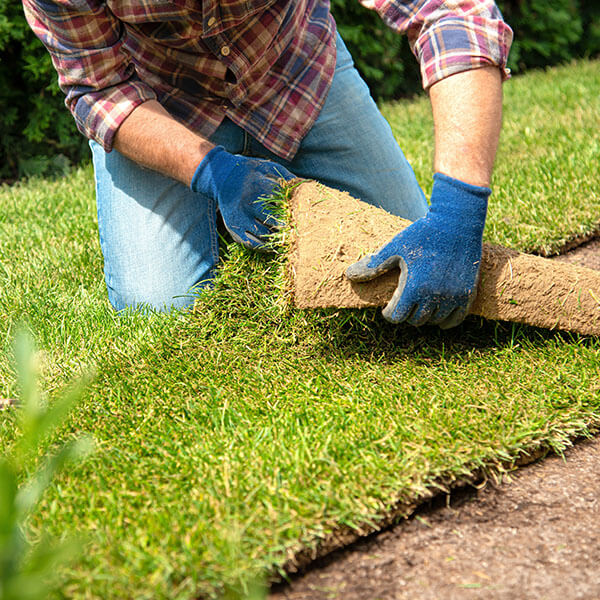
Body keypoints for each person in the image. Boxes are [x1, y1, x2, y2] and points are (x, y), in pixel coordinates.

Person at [23, 0, 512, 327]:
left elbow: (451, 11)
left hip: (292, 67)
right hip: (163, 98)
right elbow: (100, 88)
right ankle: (212, 190)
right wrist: (212, 173)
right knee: (158, 310)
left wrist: (457, 210)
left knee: (406, 250)